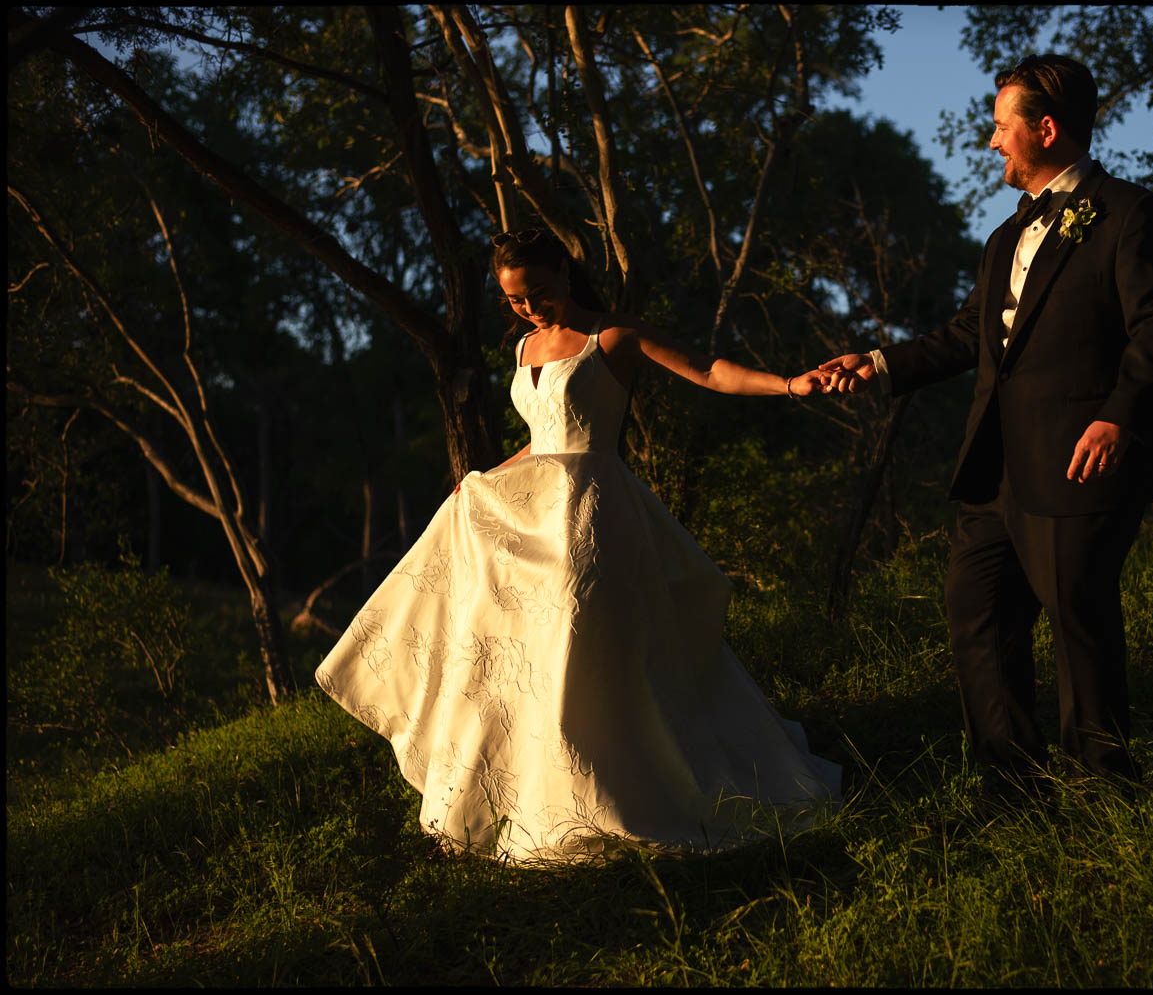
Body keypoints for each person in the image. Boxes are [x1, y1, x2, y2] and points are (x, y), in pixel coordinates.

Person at [316, 228, 841, 862]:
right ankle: (525, 793)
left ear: (565, 273)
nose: (531, 310)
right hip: (531, 509)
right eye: (515, 301)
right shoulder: (524, 347)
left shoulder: (611, 337)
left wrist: (790, 385)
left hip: (592, 510)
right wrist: (484, 482)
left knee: (580, 640)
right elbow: (542, 438)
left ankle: (623, 783)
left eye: (538, 293)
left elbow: (708, 371)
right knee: (519, 650)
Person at [818, 54, 1153, 797]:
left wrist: (1118, 414)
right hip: (995, 471)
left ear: (1045, 129)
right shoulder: (1004, 240)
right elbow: (968, 336)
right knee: (977, 618)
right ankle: (1013, 790)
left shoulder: (1132, 215)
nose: (991, 142)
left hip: (1080, 464)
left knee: (1079, 630)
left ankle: (1109, 793)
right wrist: (880, 363)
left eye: (1000, 127)